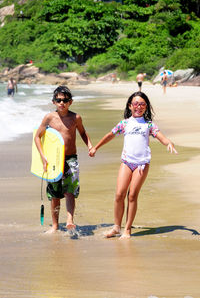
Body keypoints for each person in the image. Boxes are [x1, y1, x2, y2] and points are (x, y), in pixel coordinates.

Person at [89, 91, 177, 239]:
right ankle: (116, 227)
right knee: (119, 195)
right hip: (126, 162)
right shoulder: (124, 123)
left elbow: (162, 137)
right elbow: (110, 135)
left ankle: (127, 229)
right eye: (135, 104)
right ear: (130, 106)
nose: (139, 106)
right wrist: (95, 147)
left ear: (146, 107)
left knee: (132, 195)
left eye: (142, 104)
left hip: (142, 164)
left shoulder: (149, 125)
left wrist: (169, 143)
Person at [34, 86, 93, 233]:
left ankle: (69, 220)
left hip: (71, 158)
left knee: (70, 191)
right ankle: (54, 225)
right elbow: (37, 136)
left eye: (65, 100)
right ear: (53, 101)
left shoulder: (76, 118)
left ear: (70, 102)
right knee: (55, 194)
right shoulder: (49, 118)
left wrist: (90, 146)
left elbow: (83, 133)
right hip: (53, 160)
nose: (62, 103)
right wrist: (43, 156)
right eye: (59, 100)